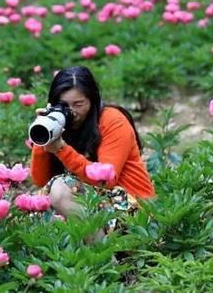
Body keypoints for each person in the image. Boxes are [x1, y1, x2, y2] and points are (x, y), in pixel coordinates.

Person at [30, 66, 155, 239]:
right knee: (36, 208)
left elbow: (107, 180)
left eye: (78, 104)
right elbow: (40, 180)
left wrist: (62, 149)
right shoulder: (61, 123)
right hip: (93, 207)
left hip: (136, 214)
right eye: (64, 105)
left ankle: (105, 259)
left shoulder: (112, 120)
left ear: (92, 101)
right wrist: (44, 131)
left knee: (59, 189)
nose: (72, 111)